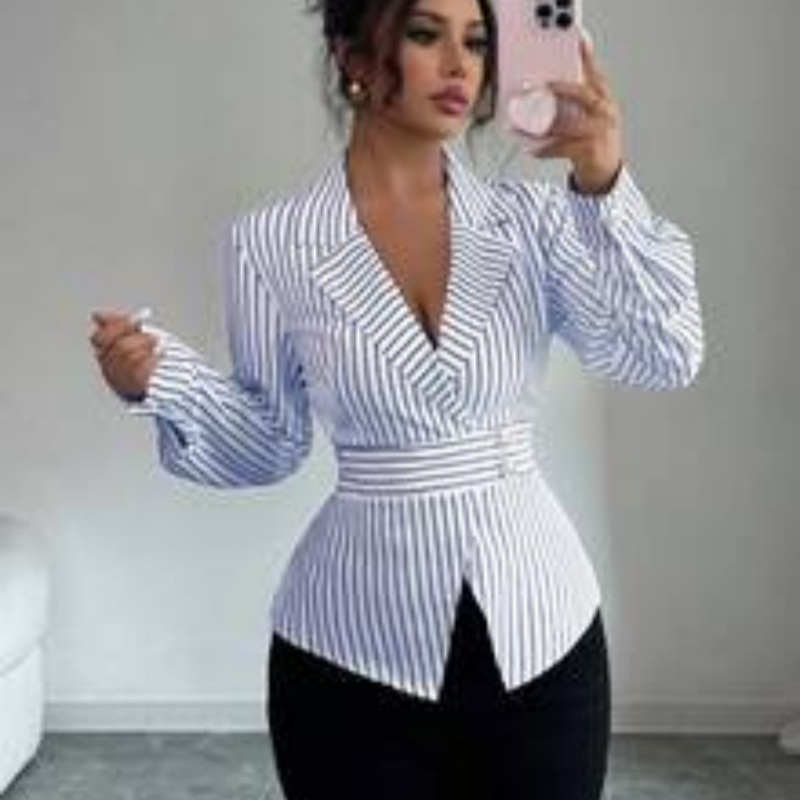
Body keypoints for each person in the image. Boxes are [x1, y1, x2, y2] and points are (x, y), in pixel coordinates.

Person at [90, 0, 705, 797]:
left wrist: (604, 181)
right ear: (353, 56)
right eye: (424, 34)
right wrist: (161, 381)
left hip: (542, 638)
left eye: (477, 42)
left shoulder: (536, 222)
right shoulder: (271, 242)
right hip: (348, 654)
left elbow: (665, 354)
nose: (458, 65)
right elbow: (271, 441)